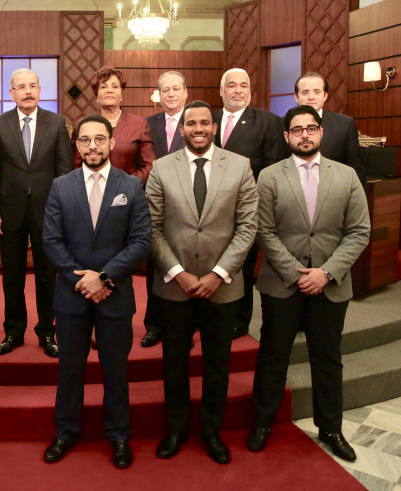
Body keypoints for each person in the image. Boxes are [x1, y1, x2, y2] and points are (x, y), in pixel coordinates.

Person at [247, 105, 370, 461]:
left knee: (328, 358)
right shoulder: (269, 176)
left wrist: (326, 272)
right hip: (281, 284)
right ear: (287, 136)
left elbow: (359, 231)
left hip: (330, 286)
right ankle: (262, 423)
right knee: (273, 356)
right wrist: (295, 272)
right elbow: (263, 230)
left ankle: (331, 428)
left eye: (311, 128)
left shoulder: (346, 175)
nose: (305, 135)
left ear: (321, 132)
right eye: (297, 129)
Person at [148, 100, 258, 464]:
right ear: (181, 129)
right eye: (191, 123)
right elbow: (152, 227)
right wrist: (178, 273)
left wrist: (217, 274)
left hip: (222, 286)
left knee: (217, 364)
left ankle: (212, 431)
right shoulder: (162, 167)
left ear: (214, 127)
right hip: (173, 286)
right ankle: (176, 428)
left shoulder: (240, 166)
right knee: (174, 362)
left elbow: (248, 228)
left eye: (204, 123)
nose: (198, 128)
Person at [43, 114, 151, 468]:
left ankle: (119, 435)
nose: (93, 146)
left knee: (115, 371)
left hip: (114, 295)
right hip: (71, 295)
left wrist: (104, 278)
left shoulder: (131, 186)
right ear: (77, 145)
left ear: (111, 142)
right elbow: (51, 241)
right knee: (70, 370)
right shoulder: (60, 185)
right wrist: (82, 280)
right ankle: (65, 431)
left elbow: (141, 242)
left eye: (99, 139)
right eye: (86, 140)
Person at [0, 68, 74, 358]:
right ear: (11, 93)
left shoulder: (56, 123)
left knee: (48, 276)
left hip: (48, 212)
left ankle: (47, 332)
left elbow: (64, 171)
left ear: (40, 90)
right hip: (9, 212)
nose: (28, 91)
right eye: (21, 87)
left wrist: (63, 211)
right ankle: (13, 331)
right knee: (12, 277)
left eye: (33, 86)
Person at [212, 68, 289, 340]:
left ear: (250, 90)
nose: (238, 90)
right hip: (207, 210)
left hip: (246, 209)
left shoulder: (268, 121)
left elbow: (271, 168)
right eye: (231, 85)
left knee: (241, 266)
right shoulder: (208, 119)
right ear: (221, 91)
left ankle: (240, 321)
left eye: (243, 85)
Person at [141, 70, 189, 349]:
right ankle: (154, 325)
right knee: (156, 267)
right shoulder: (147, 124)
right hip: (155, 205)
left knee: (186, 265)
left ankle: (183, 328)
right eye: (165, 90)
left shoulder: (197, 121)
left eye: (175, 89)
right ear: (158, 95)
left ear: (186, 93)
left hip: (188, 206)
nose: (170, 94)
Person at [72, 66, 156, 183]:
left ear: (122, 92)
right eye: (104, 86)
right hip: (91, 188)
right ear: (96, 93)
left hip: (128, 189)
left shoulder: (138, 123)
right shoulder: (83, 124)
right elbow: (75, 165)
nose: (109, 90)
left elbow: (149, 165)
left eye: (115, 86)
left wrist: (128, 183)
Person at [293, 72, 365, 185]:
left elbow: (355, 168)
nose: (311, 97)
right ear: (296, 97)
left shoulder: (345, 124)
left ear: (325, 96)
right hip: (291, 191)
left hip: (335, 191)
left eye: (317, 92)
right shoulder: (281, 124)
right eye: (305, 92)